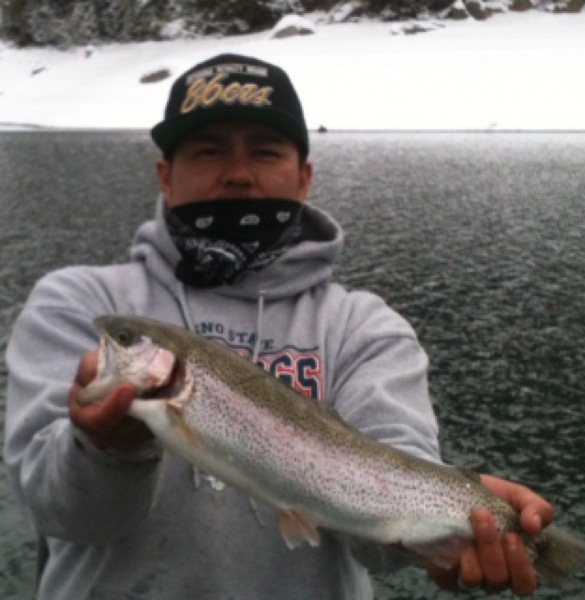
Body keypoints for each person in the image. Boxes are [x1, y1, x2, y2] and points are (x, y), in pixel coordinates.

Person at [5, 53, 553, 600]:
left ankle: (538, 548)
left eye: (265, 152)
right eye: (208, 151)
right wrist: (104, 448)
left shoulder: (364, 328)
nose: (238, 174)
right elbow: (57, 511)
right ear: (165, 176)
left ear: (304, 178)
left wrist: (451, 535)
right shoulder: (79, 303)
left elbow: (382, 539)